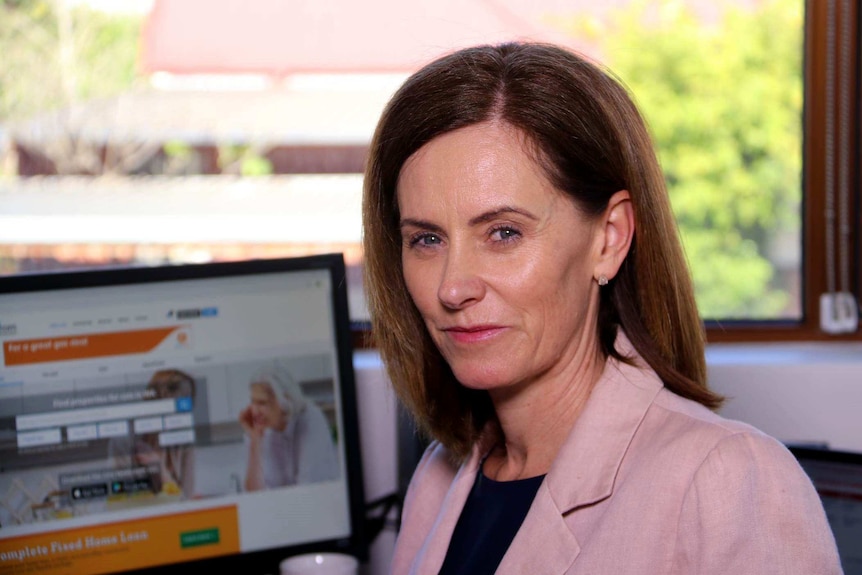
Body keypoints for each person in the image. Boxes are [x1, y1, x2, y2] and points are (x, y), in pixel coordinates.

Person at [362, 42, 842, 574]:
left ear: (609, 239)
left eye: (503, 232)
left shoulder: (727, 480)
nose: (452, 288)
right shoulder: (438, 479)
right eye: (427, 240)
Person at [239, 361, 339, 490]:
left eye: (262, 403)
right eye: (253, 402)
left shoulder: (310, 417)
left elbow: (309, 488)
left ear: (285, 401)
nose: (254, 411)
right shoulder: (261, 429)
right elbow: (254, 495)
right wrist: (255, 442)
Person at [109, 369, 196, 498]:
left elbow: (187, 501)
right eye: (179, 404)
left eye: (187, 404)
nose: (184, 411)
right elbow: (123, 499)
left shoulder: (185, 440)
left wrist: (161, 471)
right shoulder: (123, 440)